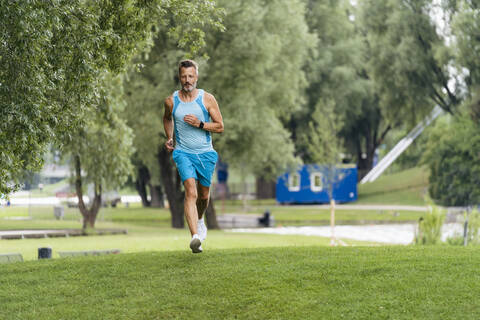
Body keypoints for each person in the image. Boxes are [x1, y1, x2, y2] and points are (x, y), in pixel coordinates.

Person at [163, 59, 224, 253]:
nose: (187, 80)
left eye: (191, 76)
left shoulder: (207, 99)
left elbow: (220, 126)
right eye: (184, 77)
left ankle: (200, 219)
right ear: (179, 78)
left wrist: (200, 124)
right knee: (191, 192)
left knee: (204, 196)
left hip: (205, 153)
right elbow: (166, 118)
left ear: (196, 77)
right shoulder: (171, 101)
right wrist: (170, 137)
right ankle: (194, 237)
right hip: (183, 153)